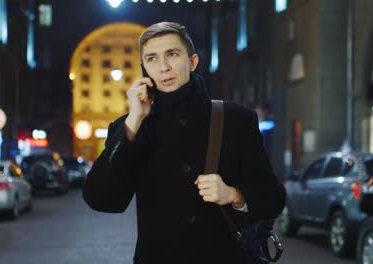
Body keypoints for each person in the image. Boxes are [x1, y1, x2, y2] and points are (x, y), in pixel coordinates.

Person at [82, 21, 286, 264]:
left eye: (172, 54)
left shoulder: (236, 119)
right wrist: (134, 121)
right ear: (144, 69)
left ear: (192, 62)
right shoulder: (130, 127)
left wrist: (234, 194)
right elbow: (101, 199)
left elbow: (273, 198)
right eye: (152, 59)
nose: (164, 67)